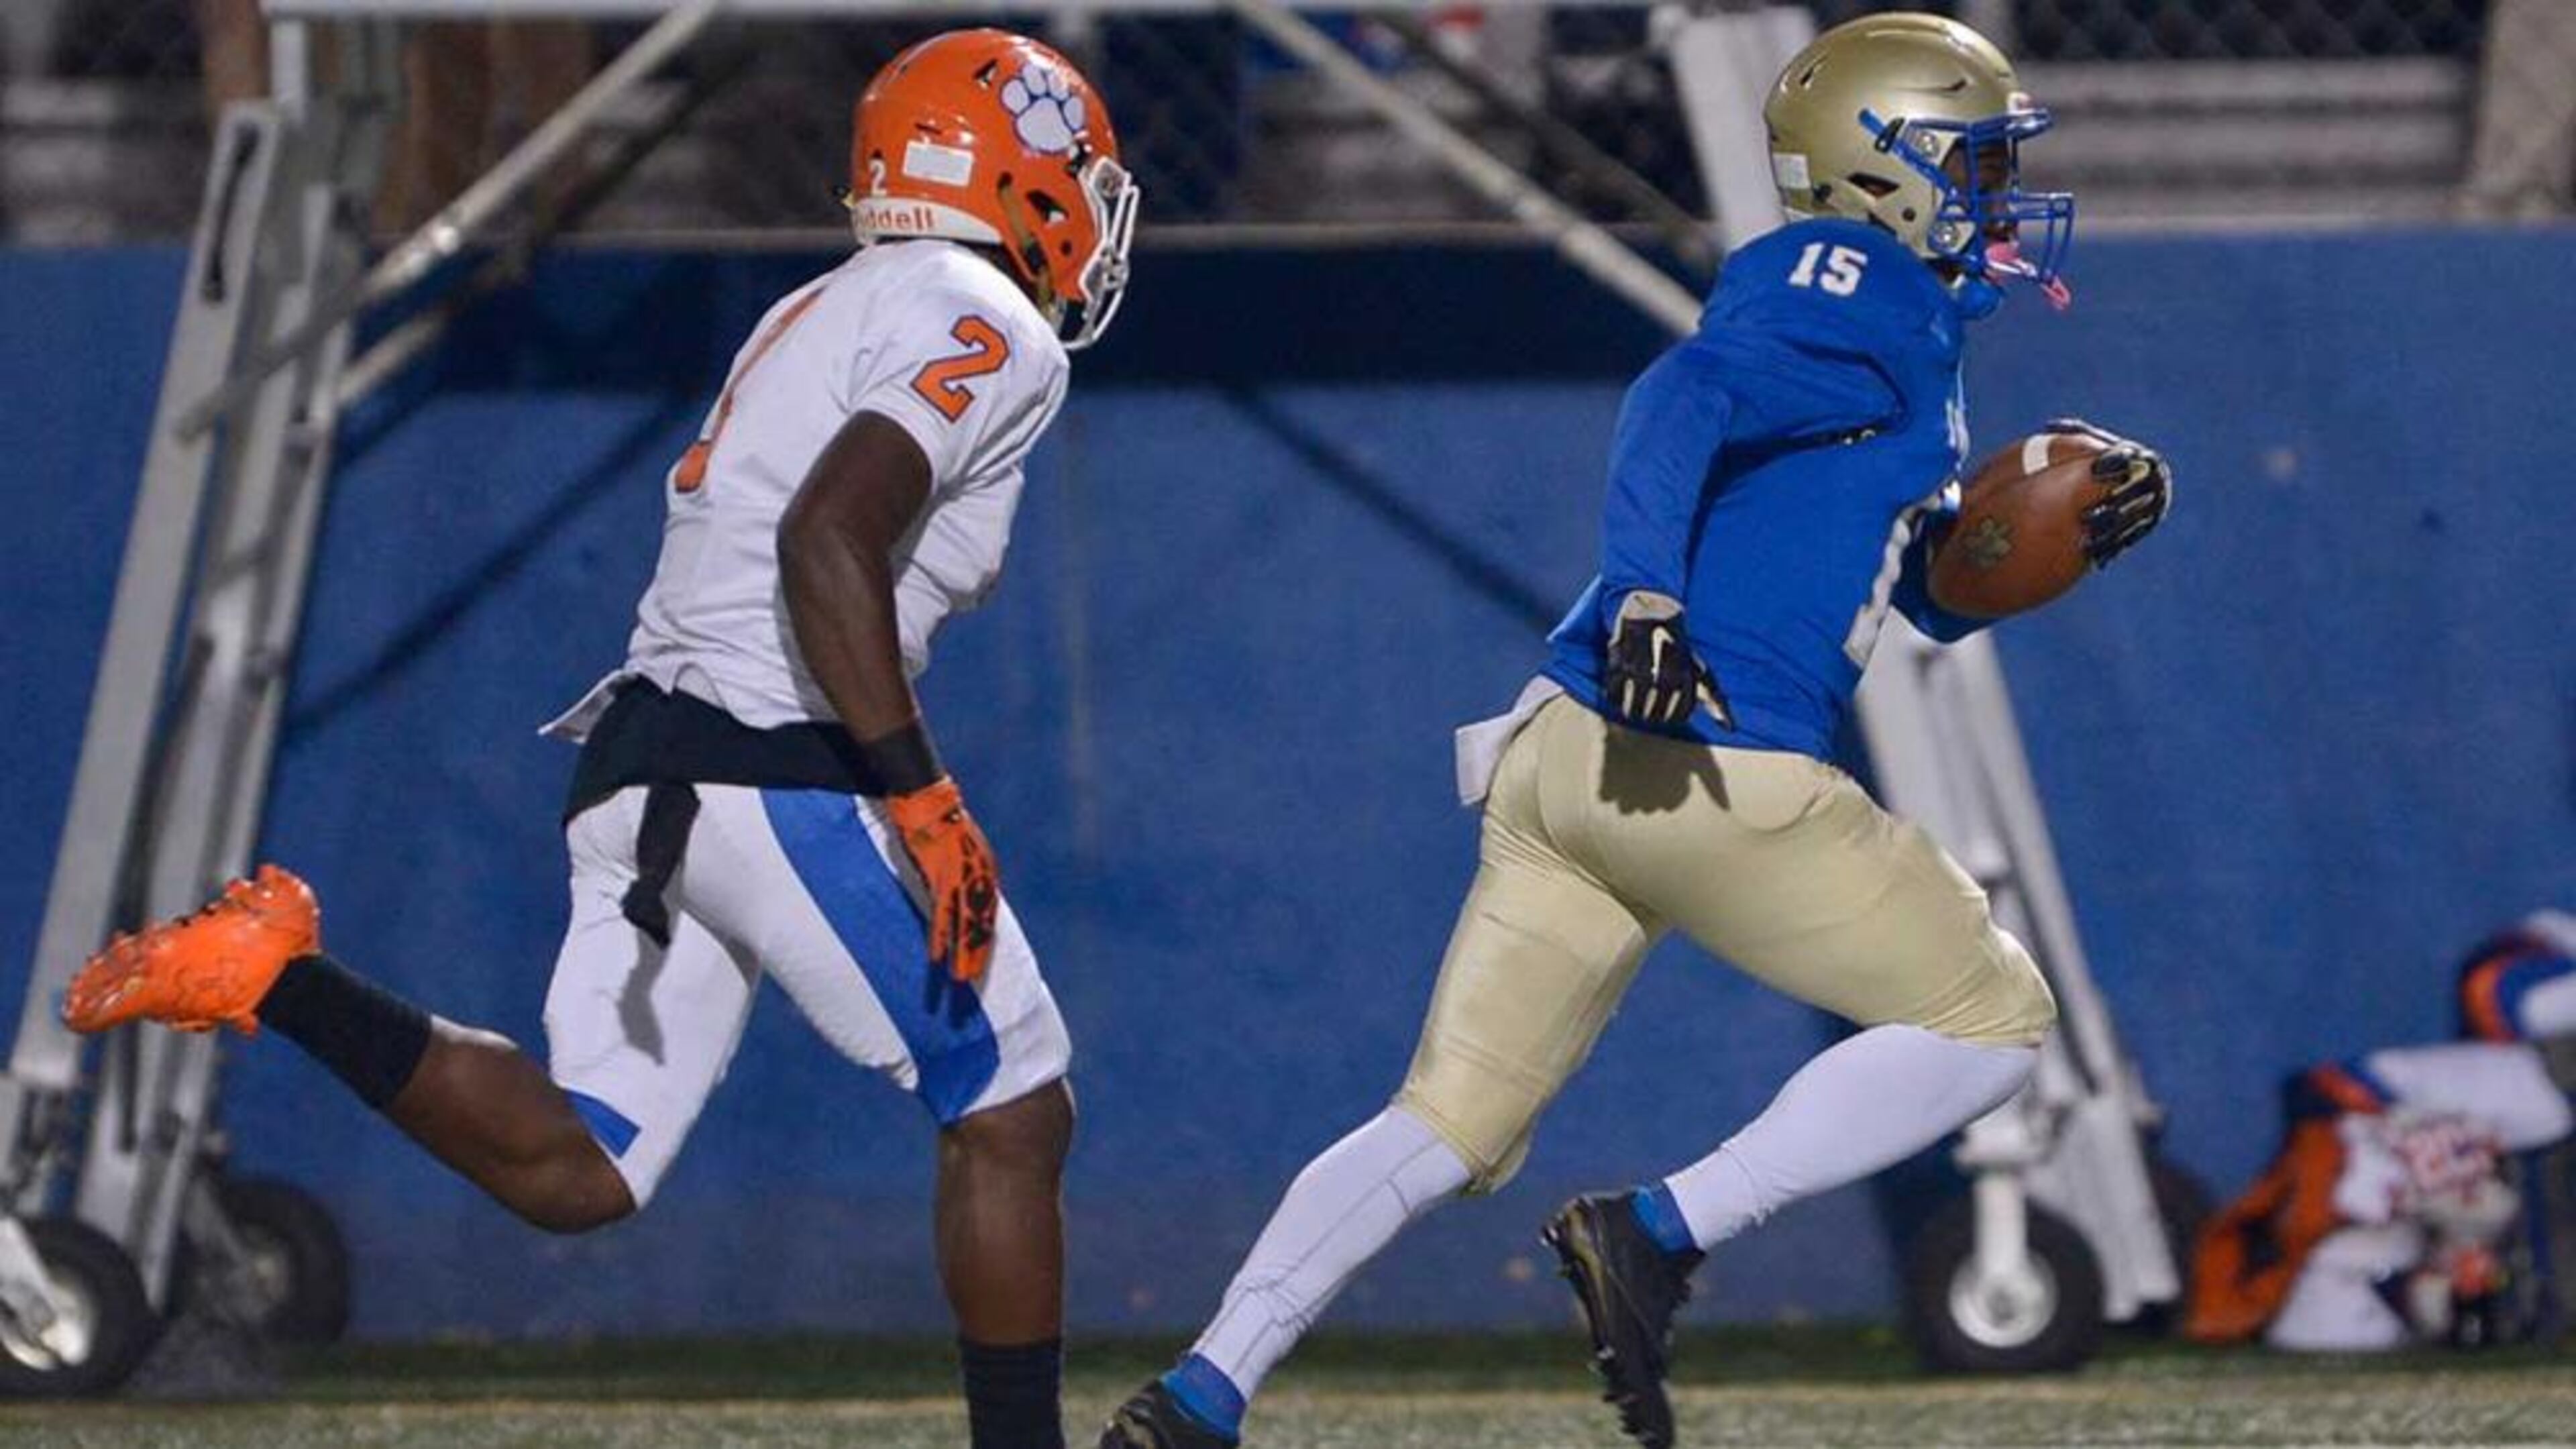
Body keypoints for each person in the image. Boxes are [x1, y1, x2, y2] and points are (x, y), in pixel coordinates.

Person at [1099, 13, 2170, 1448]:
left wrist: (2029, 555)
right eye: (1972, 164)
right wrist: (1655, 597)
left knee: (1445, 1122)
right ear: (1885, 170)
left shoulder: (1896, 330)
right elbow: (1685, 391)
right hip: (1713, 757)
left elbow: (1901, 599)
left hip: (1570, 763)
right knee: (1993, 1020)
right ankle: (1663, 1230)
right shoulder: (1846, 279)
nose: (1993, 196)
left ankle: (1200, 1393)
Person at [64, 28, 1138, 1449]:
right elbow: (832, 537)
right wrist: (922, 800)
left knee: (581, 1166)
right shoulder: (981, 316)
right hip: (776, 753)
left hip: (643, 758)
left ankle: (273, 973)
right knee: (1011, 1102)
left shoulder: (822, 306)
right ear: (1018, 176)